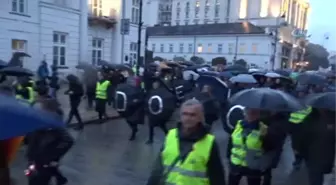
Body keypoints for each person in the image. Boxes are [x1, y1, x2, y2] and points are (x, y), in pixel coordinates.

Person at [146, 99, 225, 185]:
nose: (188, 118)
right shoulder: (171, 135)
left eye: (192, 115)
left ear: (200, 117)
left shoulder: (209, 142)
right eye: (185, 114)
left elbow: (217, 177)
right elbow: (158, 169)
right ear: (180, 116)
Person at [27, 98, 74, 185]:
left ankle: (60, 179)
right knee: (32, 180)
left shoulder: (53, 124)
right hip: (33, 159)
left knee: (40, 180)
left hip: (44, 161)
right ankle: (60, 179)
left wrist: (51, 155)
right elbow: (31, 141)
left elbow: (68, 140)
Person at [228, 108, 280, 185]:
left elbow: (270, 149)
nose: (250, 115)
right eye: (247, 112)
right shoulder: (238, 124)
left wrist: (266, 137)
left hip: (253, 167)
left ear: (258, 115)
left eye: (253, 113)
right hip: (236, 164)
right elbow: (231, 143)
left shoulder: (263, 129)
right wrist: (228, 157)